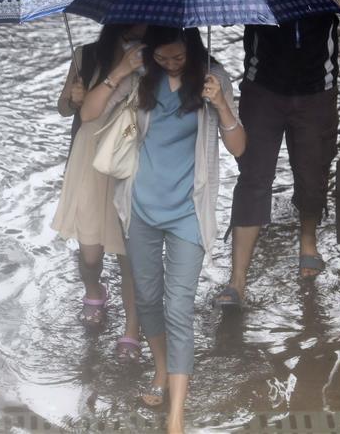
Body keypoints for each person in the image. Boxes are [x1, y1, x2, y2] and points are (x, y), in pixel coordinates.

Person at [80, 25, 245, 434]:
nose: (170, 64)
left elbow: (240, 147)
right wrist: (119, 70)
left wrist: (221, 104)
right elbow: (89, 114)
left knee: (179, 307)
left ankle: (176, 415)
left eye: (178, 58)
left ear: (192, 48)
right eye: (163, 58)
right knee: (149, 300)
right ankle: (160, 369)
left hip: (188, 212)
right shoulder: (139, 76)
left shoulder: (213, 77)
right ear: (150, 52)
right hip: (140, 210)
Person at [216, 0, 340, 308]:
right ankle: (237, 280)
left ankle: (308, 241)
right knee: (253, 177)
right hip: (262, 88)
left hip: (318, 88)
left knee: (313, 173)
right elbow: (227, 10)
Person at [51, 23, 146, 361]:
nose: (142, 24)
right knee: (90, 252)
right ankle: (94, 290)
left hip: (135, 158)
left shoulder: (160, 55)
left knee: (130, 255)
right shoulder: (88, 54)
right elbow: (64, 108)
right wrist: (72, 98)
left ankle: (132, 329)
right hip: (90, 158)